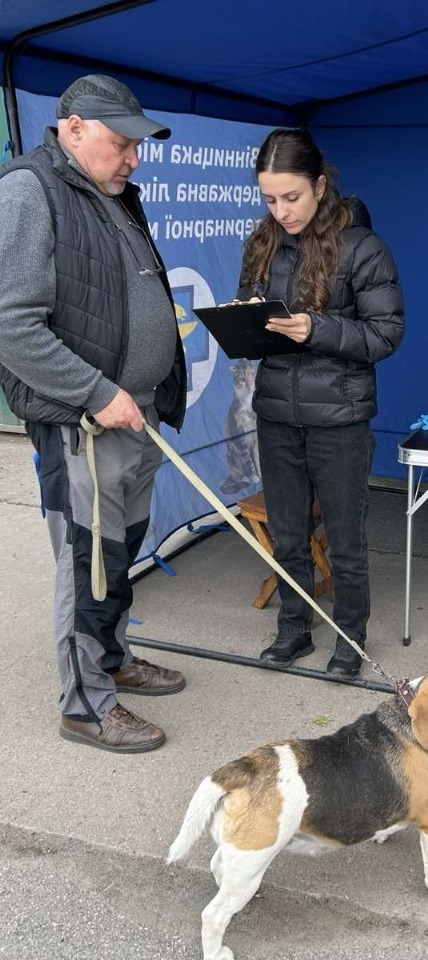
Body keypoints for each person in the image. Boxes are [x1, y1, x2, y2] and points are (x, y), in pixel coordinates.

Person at [0, 75, 188, 750]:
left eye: (138, 146)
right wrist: (97, 393)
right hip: (84, 422)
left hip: (136, 413)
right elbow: (11, 324)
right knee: (88, 560)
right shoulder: (29, 190)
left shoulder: (113, 192)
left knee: (121, 548)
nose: (134, 159)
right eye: (122, 143)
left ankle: (111, 657)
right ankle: (85, 706)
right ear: (73, 128)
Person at [237, 128, 404, 677]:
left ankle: (350, 638)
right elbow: (247, 311)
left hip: (340, 419)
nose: (281, 211)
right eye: (269, 199)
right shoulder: (261, 243)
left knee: (345, 539)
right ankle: (294, 628)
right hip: (276, 414)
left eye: (292, 197)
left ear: (320, 186)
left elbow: (385, 334)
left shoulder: (363, 247)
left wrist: (317, 329)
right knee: (288, 535)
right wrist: (244, 322)